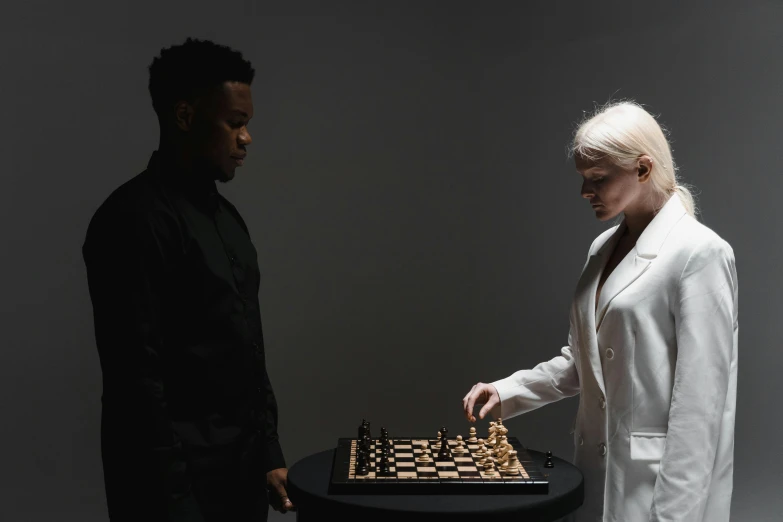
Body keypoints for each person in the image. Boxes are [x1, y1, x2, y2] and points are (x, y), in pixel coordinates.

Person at [462, 101, 738, 522]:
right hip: (594, 473)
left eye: (597, 178)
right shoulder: (602, 248)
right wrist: (509, 391)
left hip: (659, 487)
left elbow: (700, 409)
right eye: (583, 178)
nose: (584, 192)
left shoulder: (700, 253)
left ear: (643, 168)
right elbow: (583, 362)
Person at [82, 37, 294, 522]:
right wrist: (174, 503)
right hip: (171, 492)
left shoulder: (229, 222)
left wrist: (268, 452)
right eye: (234, 123)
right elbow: (136, 382)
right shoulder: (131, 220)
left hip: (239, 481)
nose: (246, 139)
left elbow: (247, 350)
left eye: (248, 125)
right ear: (184, 116)